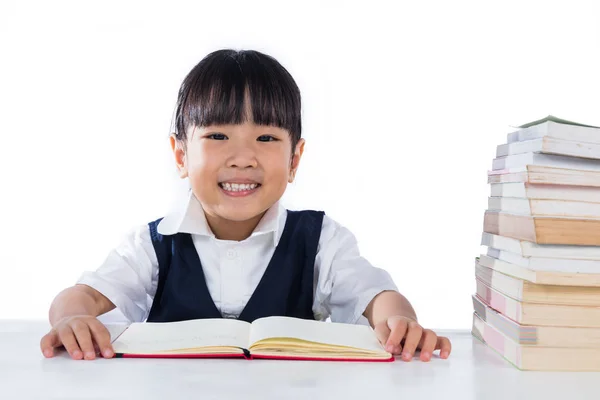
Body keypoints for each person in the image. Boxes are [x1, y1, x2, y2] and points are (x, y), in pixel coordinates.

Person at [40, 49, 451, 362]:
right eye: (218, 137)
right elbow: (81, 297)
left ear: (295, 159)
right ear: (181, 155)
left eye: (266, 138)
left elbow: (375, 294)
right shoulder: (154, 243)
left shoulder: (322, 240)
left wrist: (400, 322)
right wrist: (71, 319)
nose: (242, 157)